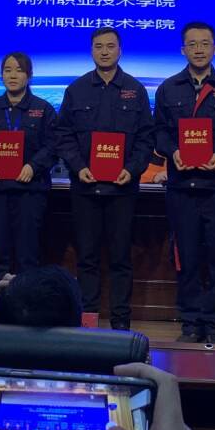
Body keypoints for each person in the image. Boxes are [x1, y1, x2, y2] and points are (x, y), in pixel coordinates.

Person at [152, 22, 215, 344]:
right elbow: (159, 132)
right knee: (187, 258)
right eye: (192, 44)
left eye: (205, 43)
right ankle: (191, 323)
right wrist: (173, 151)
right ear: (183, 50)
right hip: (181, 188)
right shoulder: (168, 89)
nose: (199, 49)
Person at [56, 27, 155, 331]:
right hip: (85, 188)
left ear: (120, 51)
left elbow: (146, 137)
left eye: (110, 46)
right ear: (91, 51)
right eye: (98, 46)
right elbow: (63, 135)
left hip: (122, 190)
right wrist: (78, 166)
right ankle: (87, 321)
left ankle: (121, 324)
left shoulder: (135, 90)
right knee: (86, 258)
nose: (104, 52)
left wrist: (133, 169)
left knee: (120, 258)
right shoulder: (77, 89)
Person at [0, 52, 59, 292]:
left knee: (28, 255)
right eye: (7, 70)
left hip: (30, 192)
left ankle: (27, 307)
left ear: (29, 75)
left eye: (19, 70)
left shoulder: (43, 109)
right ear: (1, 75)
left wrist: (33, 166)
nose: (13, 75)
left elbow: (54, 145)